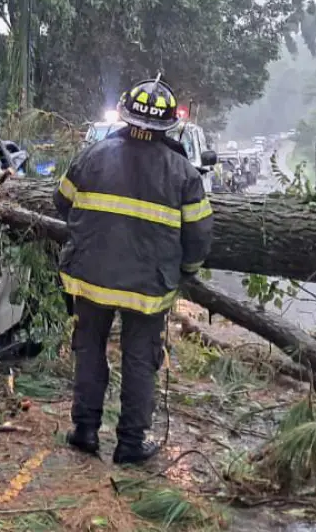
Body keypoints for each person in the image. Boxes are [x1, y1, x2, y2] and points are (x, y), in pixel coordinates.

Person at [55, 77, 213, 465]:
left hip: (90, 278)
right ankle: (129, 444)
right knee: (140, 360)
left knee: (89, 350)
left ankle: (86, 431)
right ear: (168, 125)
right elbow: (199, 236)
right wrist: (187, 271)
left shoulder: (91, 155)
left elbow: (61, 202)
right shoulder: (183, 173)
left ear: (125, 115)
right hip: (147, 287)